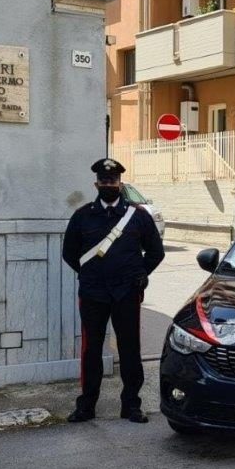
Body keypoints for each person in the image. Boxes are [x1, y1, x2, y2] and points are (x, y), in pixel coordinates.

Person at [62, 158, 165, 423]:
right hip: (93, 294)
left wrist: (140, 273)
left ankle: (131, 405)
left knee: (130, 350)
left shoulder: (138, 216)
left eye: (113, 181)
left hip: (127, 293)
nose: (109, 184)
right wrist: (90, 275)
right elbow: (69, 253)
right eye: (104, 181)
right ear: (96, 183)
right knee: (91, 350)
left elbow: (156, 251)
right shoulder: (83, 216)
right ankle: (86, 405)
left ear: (120, 183)